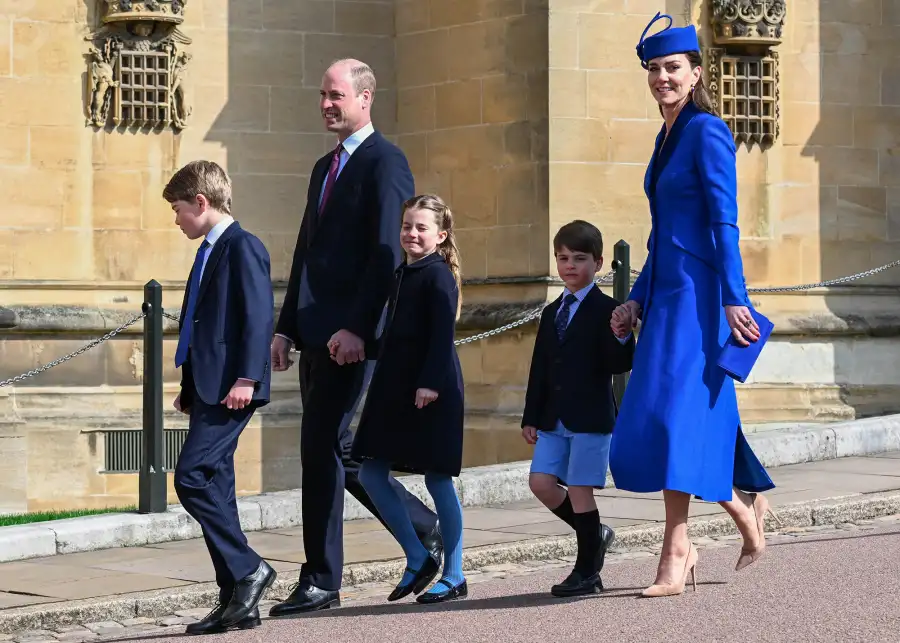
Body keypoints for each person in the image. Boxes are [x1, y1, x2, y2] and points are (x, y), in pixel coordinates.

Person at [608, 13, 780, 599]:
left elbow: (722, 222)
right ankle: (739, 512)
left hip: (703, 300)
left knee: (680, 419)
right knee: (666, 418)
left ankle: (677, 552)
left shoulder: (708, 130)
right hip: (666, 297)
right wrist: (634, 298)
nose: (662, 77)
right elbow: (664, 234)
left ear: (696, 71)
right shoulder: (664, 137)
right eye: (654, 68)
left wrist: (734, 299)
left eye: (672, 67)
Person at [268, 59, 441, 616]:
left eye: (335, 95)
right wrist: (285, 326)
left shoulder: (385, 162)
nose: (325, 104)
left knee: (319, 450)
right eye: (322, 94)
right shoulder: (324, 167)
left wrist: (359, 329)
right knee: (339, 451)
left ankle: (321, 579)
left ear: (366, 98)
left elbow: (388, 254)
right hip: (316, 333)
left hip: (352, 337)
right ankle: (425, 527)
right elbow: (306, 252)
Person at [166, 160, 277, 634]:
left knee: (189, 478)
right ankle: (236, 598)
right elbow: (202, 324)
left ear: (201, 202)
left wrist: (247, 379)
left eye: (178, 210)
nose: (176, 220)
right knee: (218, 487)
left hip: (235, 388)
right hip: (210, 388)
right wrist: (191, 388)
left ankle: (250, 568)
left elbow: (256, 317)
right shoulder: (207, 250)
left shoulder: (242, 246)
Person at [349, 194, 468, 605]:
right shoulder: (403, 272)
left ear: (441, 234)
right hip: (396, 386)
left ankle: (454, 574)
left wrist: (429, 383)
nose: (411, 233)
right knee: (369, 474)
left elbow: (440, 337)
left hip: (432, 389)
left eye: (421, 227)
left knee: (437, 479)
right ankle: (417, 555)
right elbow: (399, 336)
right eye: (406, 225)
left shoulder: (438, 276)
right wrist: (360, 347)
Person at [521, 220, 635, 598]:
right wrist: (531, 415)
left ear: (599, 263)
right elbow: (540, 366)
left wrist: (621, 335)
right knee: (541, 483)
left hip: (590, 418)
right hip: (553, 418)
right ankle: (595, 534)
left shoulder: (609, 309)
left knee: (582, 491)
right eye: (563, 258)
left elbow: (618, 365)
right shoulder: (552, 312)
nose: (570, 265)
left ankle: (588, 572)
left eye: (579, 258)